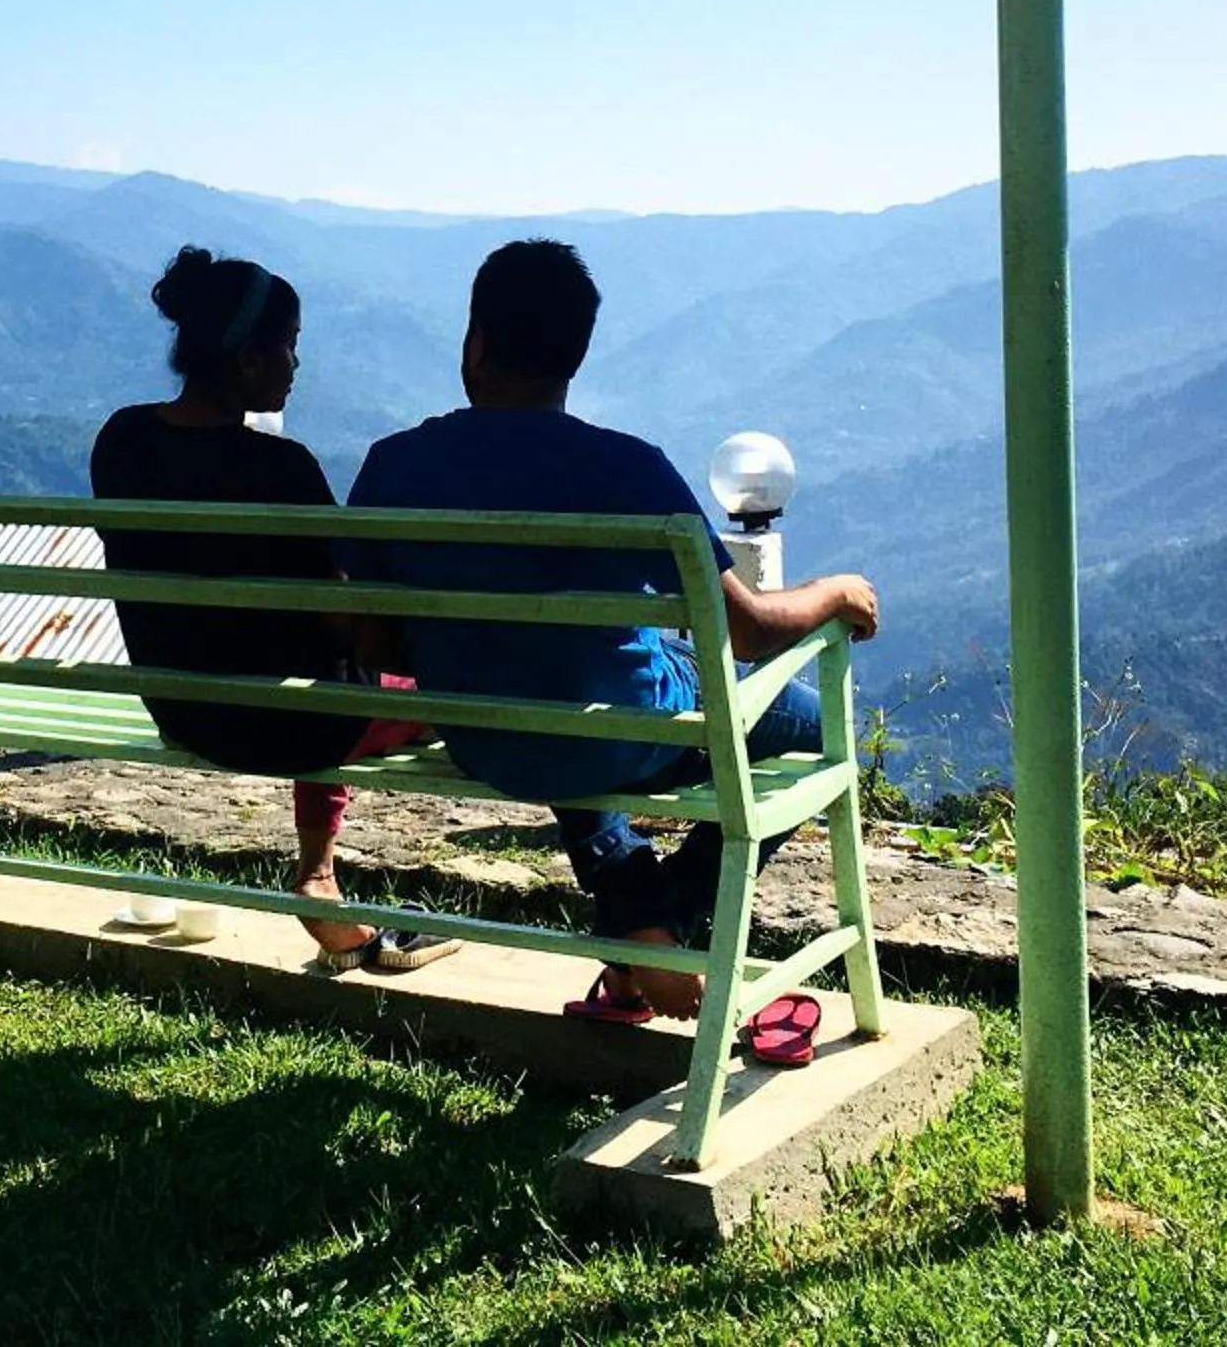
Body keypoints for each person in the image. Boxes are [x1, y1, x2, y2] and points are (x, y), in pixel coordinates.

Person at [344, 238, 877, 1021]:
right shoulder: (627, 467)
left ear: (475, 342)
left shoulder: (394, 464)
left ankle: (634, 907)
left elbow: (376, 643)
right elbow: (753, 630)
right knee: (818, 722)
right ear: (575, 356)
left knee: (551, 677)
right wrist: (835, 592)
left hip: (484, 735)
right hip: (615, 729)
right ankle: (672, 913)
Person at [91, 246, 454, 971]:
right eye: (289, 347)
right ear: (250, 358)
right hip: (293, 728)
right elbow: (344, 619)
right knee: (419, 683)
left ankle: (325, 883)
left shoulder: (122, 439)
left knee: (313, 674)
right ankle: (317, 874)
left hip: (184, 705)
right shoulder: (282, 468)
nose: (295, 365)